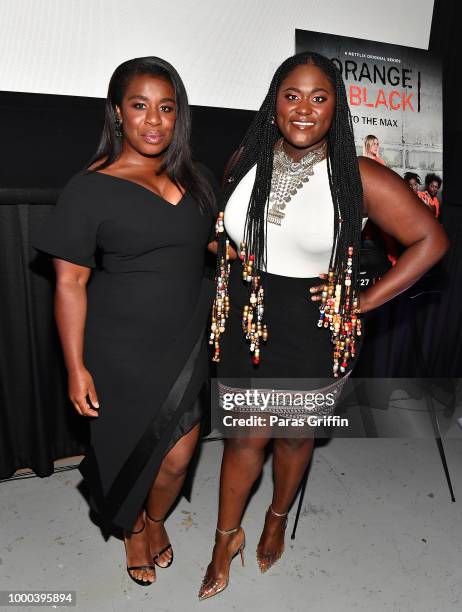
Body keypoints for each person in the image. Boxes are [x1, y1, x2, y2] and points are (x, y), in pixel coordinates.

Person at [199, 51, 449, 601]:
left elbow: (431, 241)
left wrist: (360, 302)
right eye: (293, 95)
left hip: (315, 328)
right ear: (274, 103)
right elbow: (228, 229)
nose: (305, 109)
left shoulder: (360, 176)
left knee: (292, 439)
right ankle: (224, 539)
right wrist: (226, 250)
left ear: (337, 106)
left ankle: (275, 520)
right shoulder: (245, 158)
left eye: (320, 97)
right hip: (249, 320)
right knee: (243, 438)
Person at [33, 57, 217, 587]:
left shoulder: (196, 178)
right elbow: (69, 283)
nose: (154, 120)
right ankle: (135, 526)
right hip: (118, 350)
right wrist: (75, 367)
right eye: (140, 106)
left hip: (184, 342)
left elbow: (207, 241)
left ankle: (156, 517)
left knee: (179, 458)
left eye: (166, 108)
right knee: (125, 453)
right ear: (117, 114)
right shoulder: (90, 188)